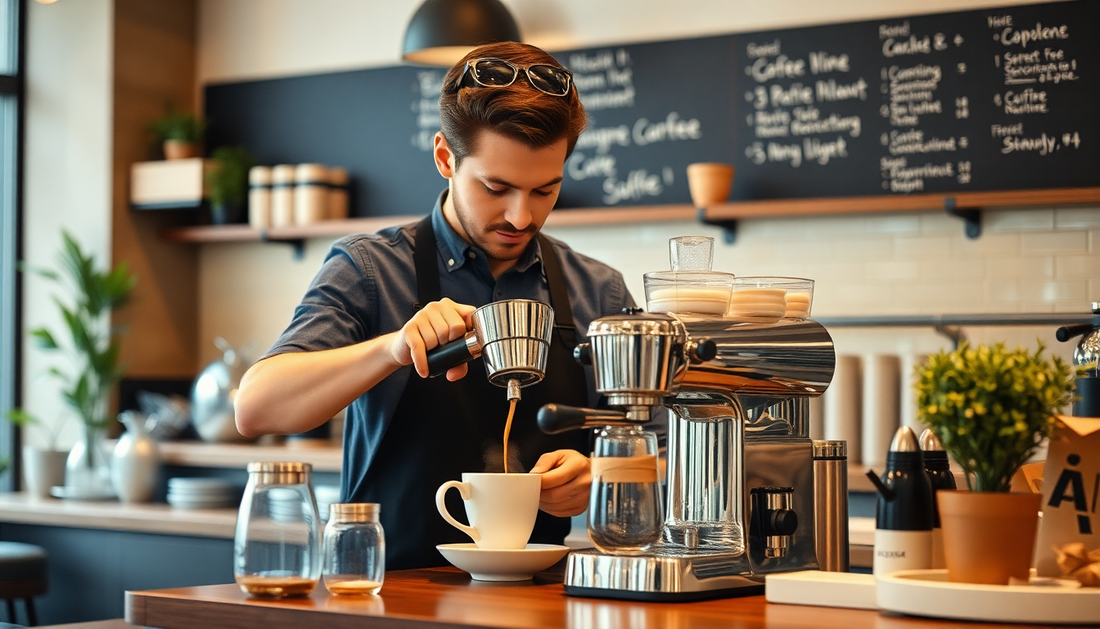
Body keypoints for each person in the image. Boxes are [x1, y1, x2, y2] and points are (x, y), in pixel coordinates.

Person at [234, 42, 635, 569]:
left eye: (545, 191)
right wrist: (392, 349)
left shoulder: (598, 291)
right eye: (497, 187)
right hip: (385, 595)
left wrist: (601, 473)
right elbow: (255, 407)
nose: (520, 216)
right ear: (446, 157)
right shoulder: (371, 270)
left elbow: (659, 446)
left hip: (540, 605)